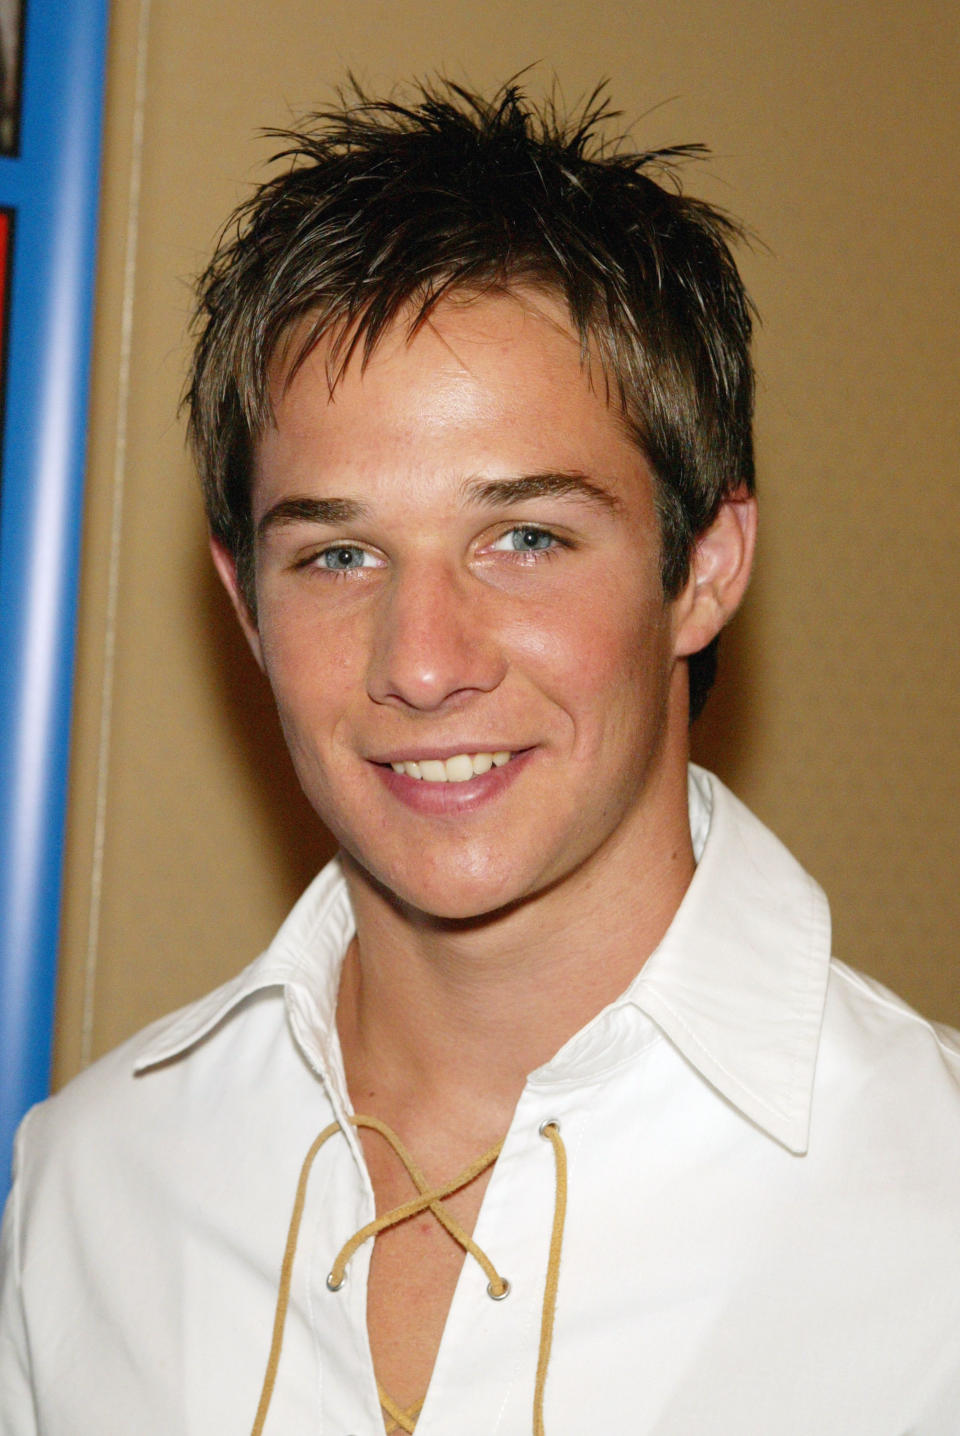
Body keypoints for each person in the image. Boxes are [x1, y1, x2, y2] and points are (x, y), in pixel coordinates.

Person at [2, 79, 959, 1436]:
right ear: (246, 610)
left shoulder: (936, 1223)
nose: (424, 658)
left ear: (706, 568)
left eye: (526, 539)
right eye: (338, 555)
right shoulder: (94, 1185)